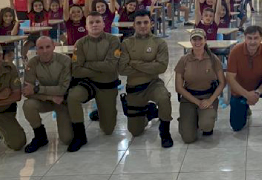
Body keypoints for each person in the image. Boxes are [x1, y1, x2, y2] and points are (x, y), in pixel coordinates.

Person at [66, 11, 122, 152]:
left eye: (98, 22)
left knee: (108, 130)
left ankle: (100, 113)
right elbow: (76, 70)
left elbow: (111, 67)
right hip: (87, 84)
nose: (95, 25)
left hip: (107, 85)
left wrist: (88, 64)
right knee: (73, 97)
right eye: (91, 22)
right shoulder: (80, 43)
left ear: (103, 24)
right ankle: (80, 135)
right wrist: (100, 67)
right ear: (86, 26)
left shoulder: (113, 41)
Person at [119, 10, 173, 147]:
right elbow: (122, 69)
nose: (142, 26)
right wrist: (149, 66)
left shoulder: (159, 43)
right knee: (135, 131)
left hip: (153, 84)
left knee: (164, 97)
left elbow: (161, 67)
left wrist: (134, 63)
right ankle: (149, 112)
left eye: (145, 22)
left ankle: (165, 133)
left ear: (151, 23)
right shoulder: (126, 44)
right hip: (134, 88)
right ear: (134, 25)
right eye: (139, 23)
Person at [226, 25, 262, 136]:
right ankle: (245, 107)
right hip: (240, 88)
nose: (252, 42)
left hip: (259, 85)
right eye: (249, 38)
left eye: (256, 38)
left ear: (261, 38)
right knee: (236, 127)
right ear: (244, 38)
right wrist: (247, 95)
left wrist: (257, 93)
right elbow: (230, 79)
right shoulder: (235, 52)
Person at [174, 29, 226, 143]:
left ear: (205, 40)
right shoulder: (184, 60)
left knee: (206, 125)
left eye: (200, 39)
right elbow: (178, 87)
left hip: (208, 96)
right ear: (191, 41)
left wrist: (210, 100)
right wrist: (197, 103)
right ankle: (189, 119)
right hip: (189, 98)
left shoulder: (213, 59)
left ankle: (202, 119)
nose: (197, 42)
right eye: (194, 39)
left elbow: (222, 83)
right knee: (188, 138)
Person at [22, 36, 73, 153]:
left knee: (67, 139)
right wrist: (50, 97)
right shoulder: (33, 63)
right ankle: (40, 135)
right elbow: (27, 91)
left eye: (48, 47)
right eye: (41, 48)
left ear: (54, 47)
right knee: (28, 105)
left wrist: (37, 89)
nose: (45, 51)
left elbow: (62, 89)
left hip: (62, 101)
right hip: (46, 100)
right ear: (36, 50)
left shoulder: (64, 60)